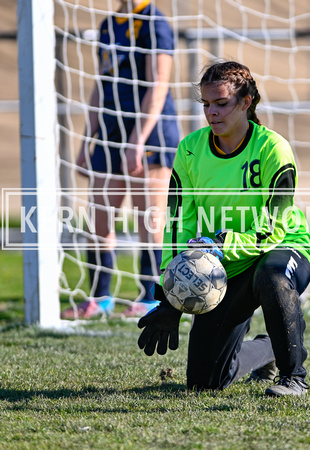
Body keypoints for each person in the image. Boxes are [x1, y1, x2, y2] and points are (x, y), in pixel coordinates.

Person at [137, 61, 310, 397]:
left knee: (273, 277)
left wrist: (222, 243)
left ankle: (293, 377)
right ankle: (268, 350)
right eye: (206, 104)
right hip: (224, 263)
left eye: (221, 103)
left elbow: (275, 227)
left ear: (246, 102)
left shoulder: (272, 149)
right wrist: (169, 294)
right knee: (205, 382)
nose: (212, 113)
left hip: (280, 248)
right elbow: (179, 221)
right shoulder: (190, 149)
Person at [61, 0, 179, 319]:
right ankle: (100, 297)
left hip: (149, 132)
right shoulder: (108, 25)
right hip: (111, 131)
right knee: (99, 216)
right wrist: (88, 138)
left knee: (149, 218)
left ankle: (152, 296)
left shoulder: (154, 22)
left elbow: (158, 85)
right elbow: (102, 85)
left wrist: (138, 141)